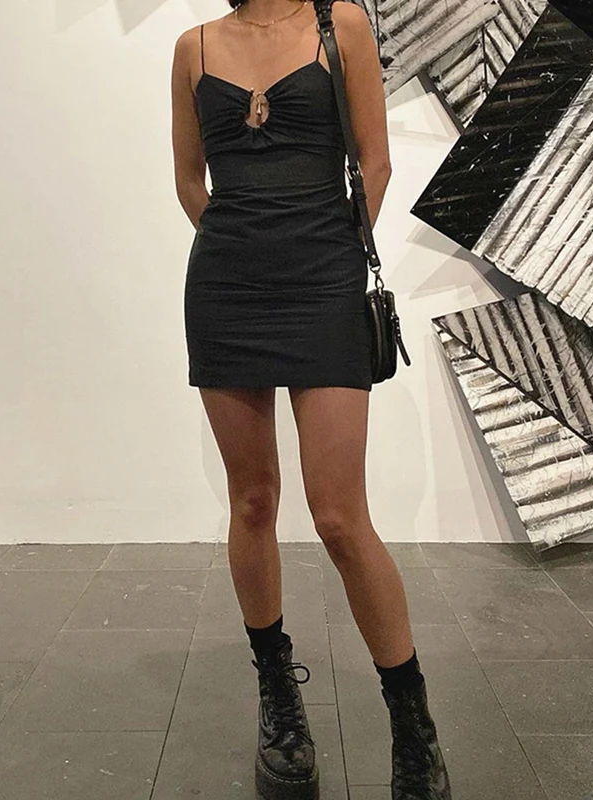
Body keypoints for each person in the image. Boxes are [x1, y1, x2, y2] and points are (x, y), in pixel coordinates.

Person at [170, 1, 451, 798]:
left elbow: (377, 164)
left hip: (324, 282)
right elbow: (190, 182)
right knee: (253, 500)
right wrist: (248, 244)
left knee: (338, 516)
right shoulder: (193, 47)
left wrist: (320, 247)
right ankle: (279, 701)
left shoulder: (343, 25)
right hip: (226, 288)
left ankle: (413, 727)